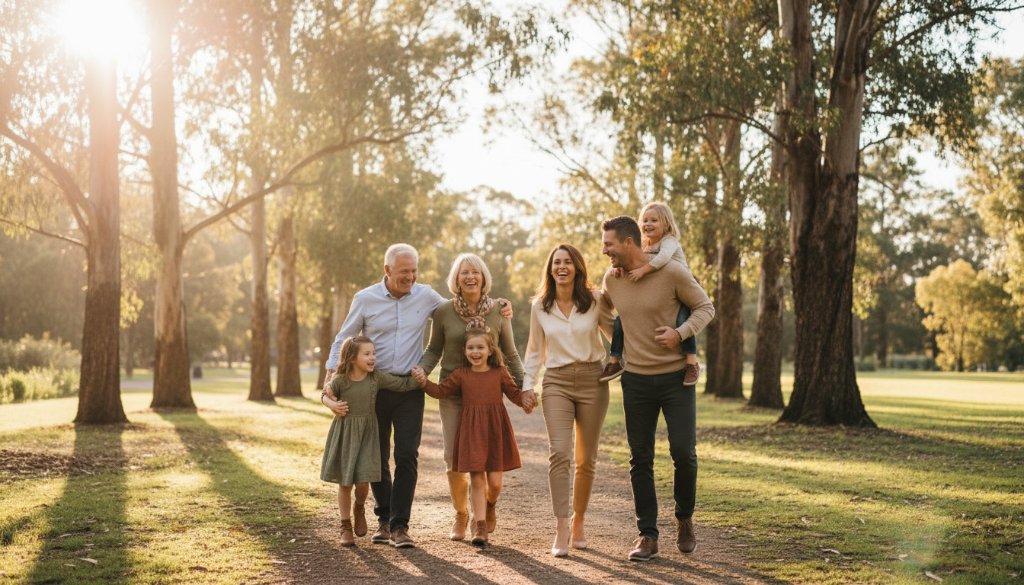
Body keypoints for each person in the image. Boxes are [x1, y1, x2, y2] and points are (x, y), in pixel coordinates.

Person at [323, 244, 511, 548]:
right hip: (375, 388)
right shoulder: (365, 299)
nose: (410, 277)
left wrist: (499, 305)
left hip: (410, 387)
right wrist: (330, 376)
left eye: (414, 271)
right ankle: (384, 518)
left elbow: (461, 306)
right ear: (387, 271)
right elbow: (344, 336)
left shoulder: (426, 297)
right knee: (378, 456)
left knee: (407, 455)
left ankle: (400, 526)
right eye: (403, 272)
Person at [597, 216, 715, 562]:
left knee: (683, 452)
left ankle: (684, 518)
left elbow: (706, 307)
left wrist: (680, 334)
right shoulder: (612, 279)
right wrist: (621, 343)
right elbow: (605, 313)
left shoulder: (672, 273)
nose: (605, 251)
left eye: (609, 245)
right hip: (635, 380)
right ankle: (647, 535)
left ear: (629, 243)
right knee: (641, 458)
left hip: (676, 379)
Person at [417, 253, 531, 541]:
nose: (470, 277)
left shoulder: (498, 310)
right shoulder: (443, 311)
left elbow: (511, 352)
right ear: (456, 278)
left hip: (485, 392)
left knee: (489, 463)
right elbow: (434, 350)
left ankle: (489, 505)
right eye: (464, 272)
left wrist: (525, 386)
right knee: (454, 459)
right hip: (453, 392)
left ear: (483, 278)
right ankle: (461, 513)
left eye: (475, 272)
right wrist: (421, 371)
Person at [522, 244, 611, 557]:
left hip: (593, 382)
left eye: (567, 262)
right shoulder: (540, 306)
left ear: (577, 267)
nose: (561, 267)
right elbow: (535, 351)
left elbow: (618, 335)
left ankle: (579, 521)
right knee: (559, 452)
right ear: (550, 269)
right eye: (556, 262)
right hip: (557, 381)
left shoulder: (596, 300)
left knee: (586, 459)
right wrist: (527, 386)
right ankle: (561, 526)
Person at [411, 328, 532, 547]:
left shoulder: (499, 372)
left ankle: (490, 504)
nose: (475, 352)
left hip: (495, 429)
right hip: (472, 431)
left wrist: (526, 400)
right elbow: (441, 391)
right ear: (464, 351)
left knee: (494, 483)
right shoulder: (461, 374)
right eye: (470, 348)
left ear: (490, 350)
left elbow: (514, 394)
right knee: (477, 479)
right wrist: (423, 382)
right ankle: (480, 526)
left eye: (480, 347)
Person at [320, 336, 422, 546]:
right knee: (345, 482)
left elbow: (401, 385)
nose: (373, 357)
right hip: (346, 435)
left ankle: (360, 506)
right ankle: (345, 525)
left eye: (374, 353)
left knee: (363, 482)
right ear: (351, 358)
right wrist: (331, 404)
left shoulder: (376, 378)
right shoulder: (341, 380)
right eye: (367, 354)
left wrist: (421, 378)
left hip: (367, 436)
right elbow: (324, 395)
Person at [600, 202, 701, 385]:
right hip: (635, 374)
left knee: (683, 321)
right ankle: (615, 360)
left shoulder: (669, 242)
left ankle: (691, 362)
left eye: (654, 220)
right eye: (645, 220)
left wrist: (643, 271)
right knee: (619, 321)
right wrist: (617, 265)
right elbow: (630, 255)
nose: (648, 224)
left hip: (681, 291)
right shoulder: (646, 245)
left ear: (667, 224)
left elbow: (661, 259)